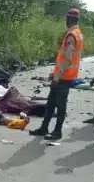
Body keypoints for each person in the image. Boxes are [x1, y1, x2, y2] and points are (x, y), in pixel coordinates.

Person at [29, 8, 83, 140]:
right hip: (66, 75)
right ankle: (44, 128)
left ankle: (57, 131)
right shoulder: (78, 33)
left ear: (68, 19)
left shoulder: (71, 35)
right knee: (51, 103)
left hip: (63, 77)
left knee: (60, 105)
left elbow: (68, 57)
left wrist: (57, 76)